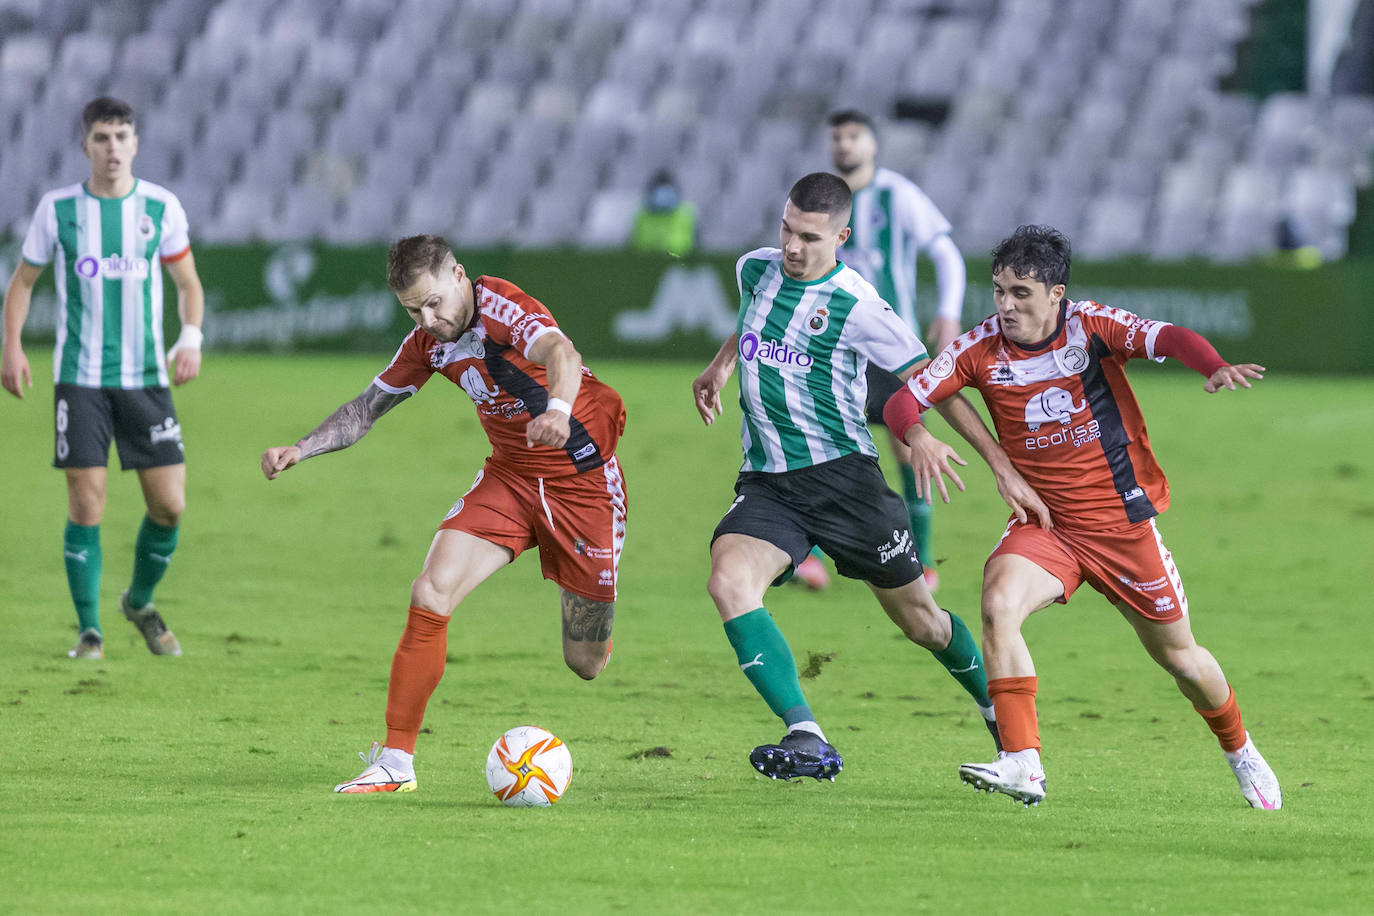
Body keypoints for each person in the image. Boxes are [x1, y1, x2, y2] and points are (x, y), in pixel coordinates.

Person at [883, 225, 1281, 809]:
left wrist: (1212, 364)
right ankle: (1022, 761)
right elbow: (903, 398)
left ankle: (1240, 748)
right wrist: (916, 435)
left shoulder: (1090, 327)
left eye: (1021, 293)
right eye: (998, 291)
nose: (1006, 305)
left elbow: (1167, 336)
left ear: (1056, 292)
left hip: (1122, 528)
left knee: (1181, 659)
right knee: (998, 604)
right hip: (1047, 528)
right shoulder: (981, 346)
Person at [691, 173, 1049, 782]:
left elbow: (932, 378)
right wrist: (721, 366)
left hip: (846, 485)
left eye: (808, 236)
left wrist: (989, 463)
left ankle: (995, 709)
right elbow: (750, 319)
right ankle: (806, 735)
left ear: (842, 237)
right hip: (770, 483)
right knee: (728, 582)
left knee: (923, 623)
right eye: (786, 229)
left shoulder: (858, 305)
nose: (792, 247)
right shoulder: (756, 269)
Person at [260, 234, 628, 794]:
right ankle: (395, 764)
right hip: (509, 477)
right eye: (413, 309)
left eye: (434, 302)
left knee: (586, 661)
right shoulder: (426, 344)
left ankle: (594, 609)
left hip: (582, 485)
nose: (428, 318)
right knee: (430, 590)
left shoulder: (503, 306)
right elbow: (366, 408)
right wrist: (301, 448)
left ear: (459, 275)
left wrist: (557, 408)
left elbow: (562, 354)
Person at [1, 97, 205, 660]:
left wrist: (190, 339)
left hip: (145, 378)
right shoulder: (58, 209)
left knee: (170, 506)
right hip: (80, 378)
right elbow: (22, 283)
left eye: (121, 136)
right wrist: (11, 345)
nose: (112, 148)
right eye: (101, 138)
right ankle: (89, 631)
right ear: (85, 145)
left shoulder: (161, 208)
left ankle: (138, 602)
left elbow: (188, 284)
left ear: (135, 143)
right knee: (86, 504)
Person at [811, 109, 967, 593]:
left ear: (872, 144)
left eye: (854, 136)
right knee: (817, 446)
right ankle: (808, 555)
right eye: (837, 136)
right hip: (832, 347)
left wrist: (949, 312)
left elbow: (945, 252)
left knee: (907, 447)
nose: (844, 145)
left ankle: (922, 562)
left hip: (890, 349)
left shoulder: (897, 195)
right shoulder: (821, 198)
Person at [630, 169, 696, 257]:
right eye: (658, 188)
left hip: (677, 262)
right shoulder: (642, 216)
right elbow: (637, 245)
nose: (662, 195)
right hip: (647, 262)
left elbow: (689, 247)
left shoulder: (685, 214)